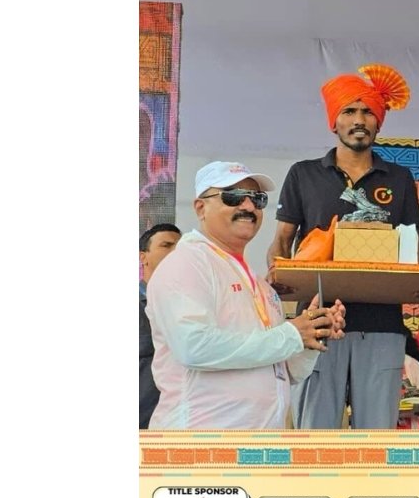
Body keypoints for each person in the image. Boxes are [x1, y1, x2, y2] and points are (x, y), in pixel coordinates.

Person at [268, 64, 419, 429]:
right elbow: (281, 242)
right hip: (319, 323)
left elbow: (415, 248)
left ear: (378, 122)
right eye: (349, 111)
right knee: (316, 433)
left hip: (383, 323)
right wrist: (279, 278)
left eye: (368, 111)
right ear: (334, 122)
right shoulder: (304, 174)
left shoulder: (399, 178)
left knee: (377, 435)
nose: (359, 120)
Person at [147, 161, 346, 429]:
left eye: (257, 199)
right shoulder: (187, 263)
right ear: (201, 208)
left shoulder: (260, 285)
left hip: (257, 444)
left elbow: (285, 372)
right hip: (203, 442)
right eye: (234, 197)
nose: (249, 207)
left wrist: (310, 337)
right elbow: (193, 347)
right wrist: (291, 334)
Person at [140, 223, 181, 429]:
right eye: (166, 245)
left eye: (180, 247)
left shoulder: (189, 306)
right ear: (143, 257)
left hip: (178, 422)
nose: (175, 252)